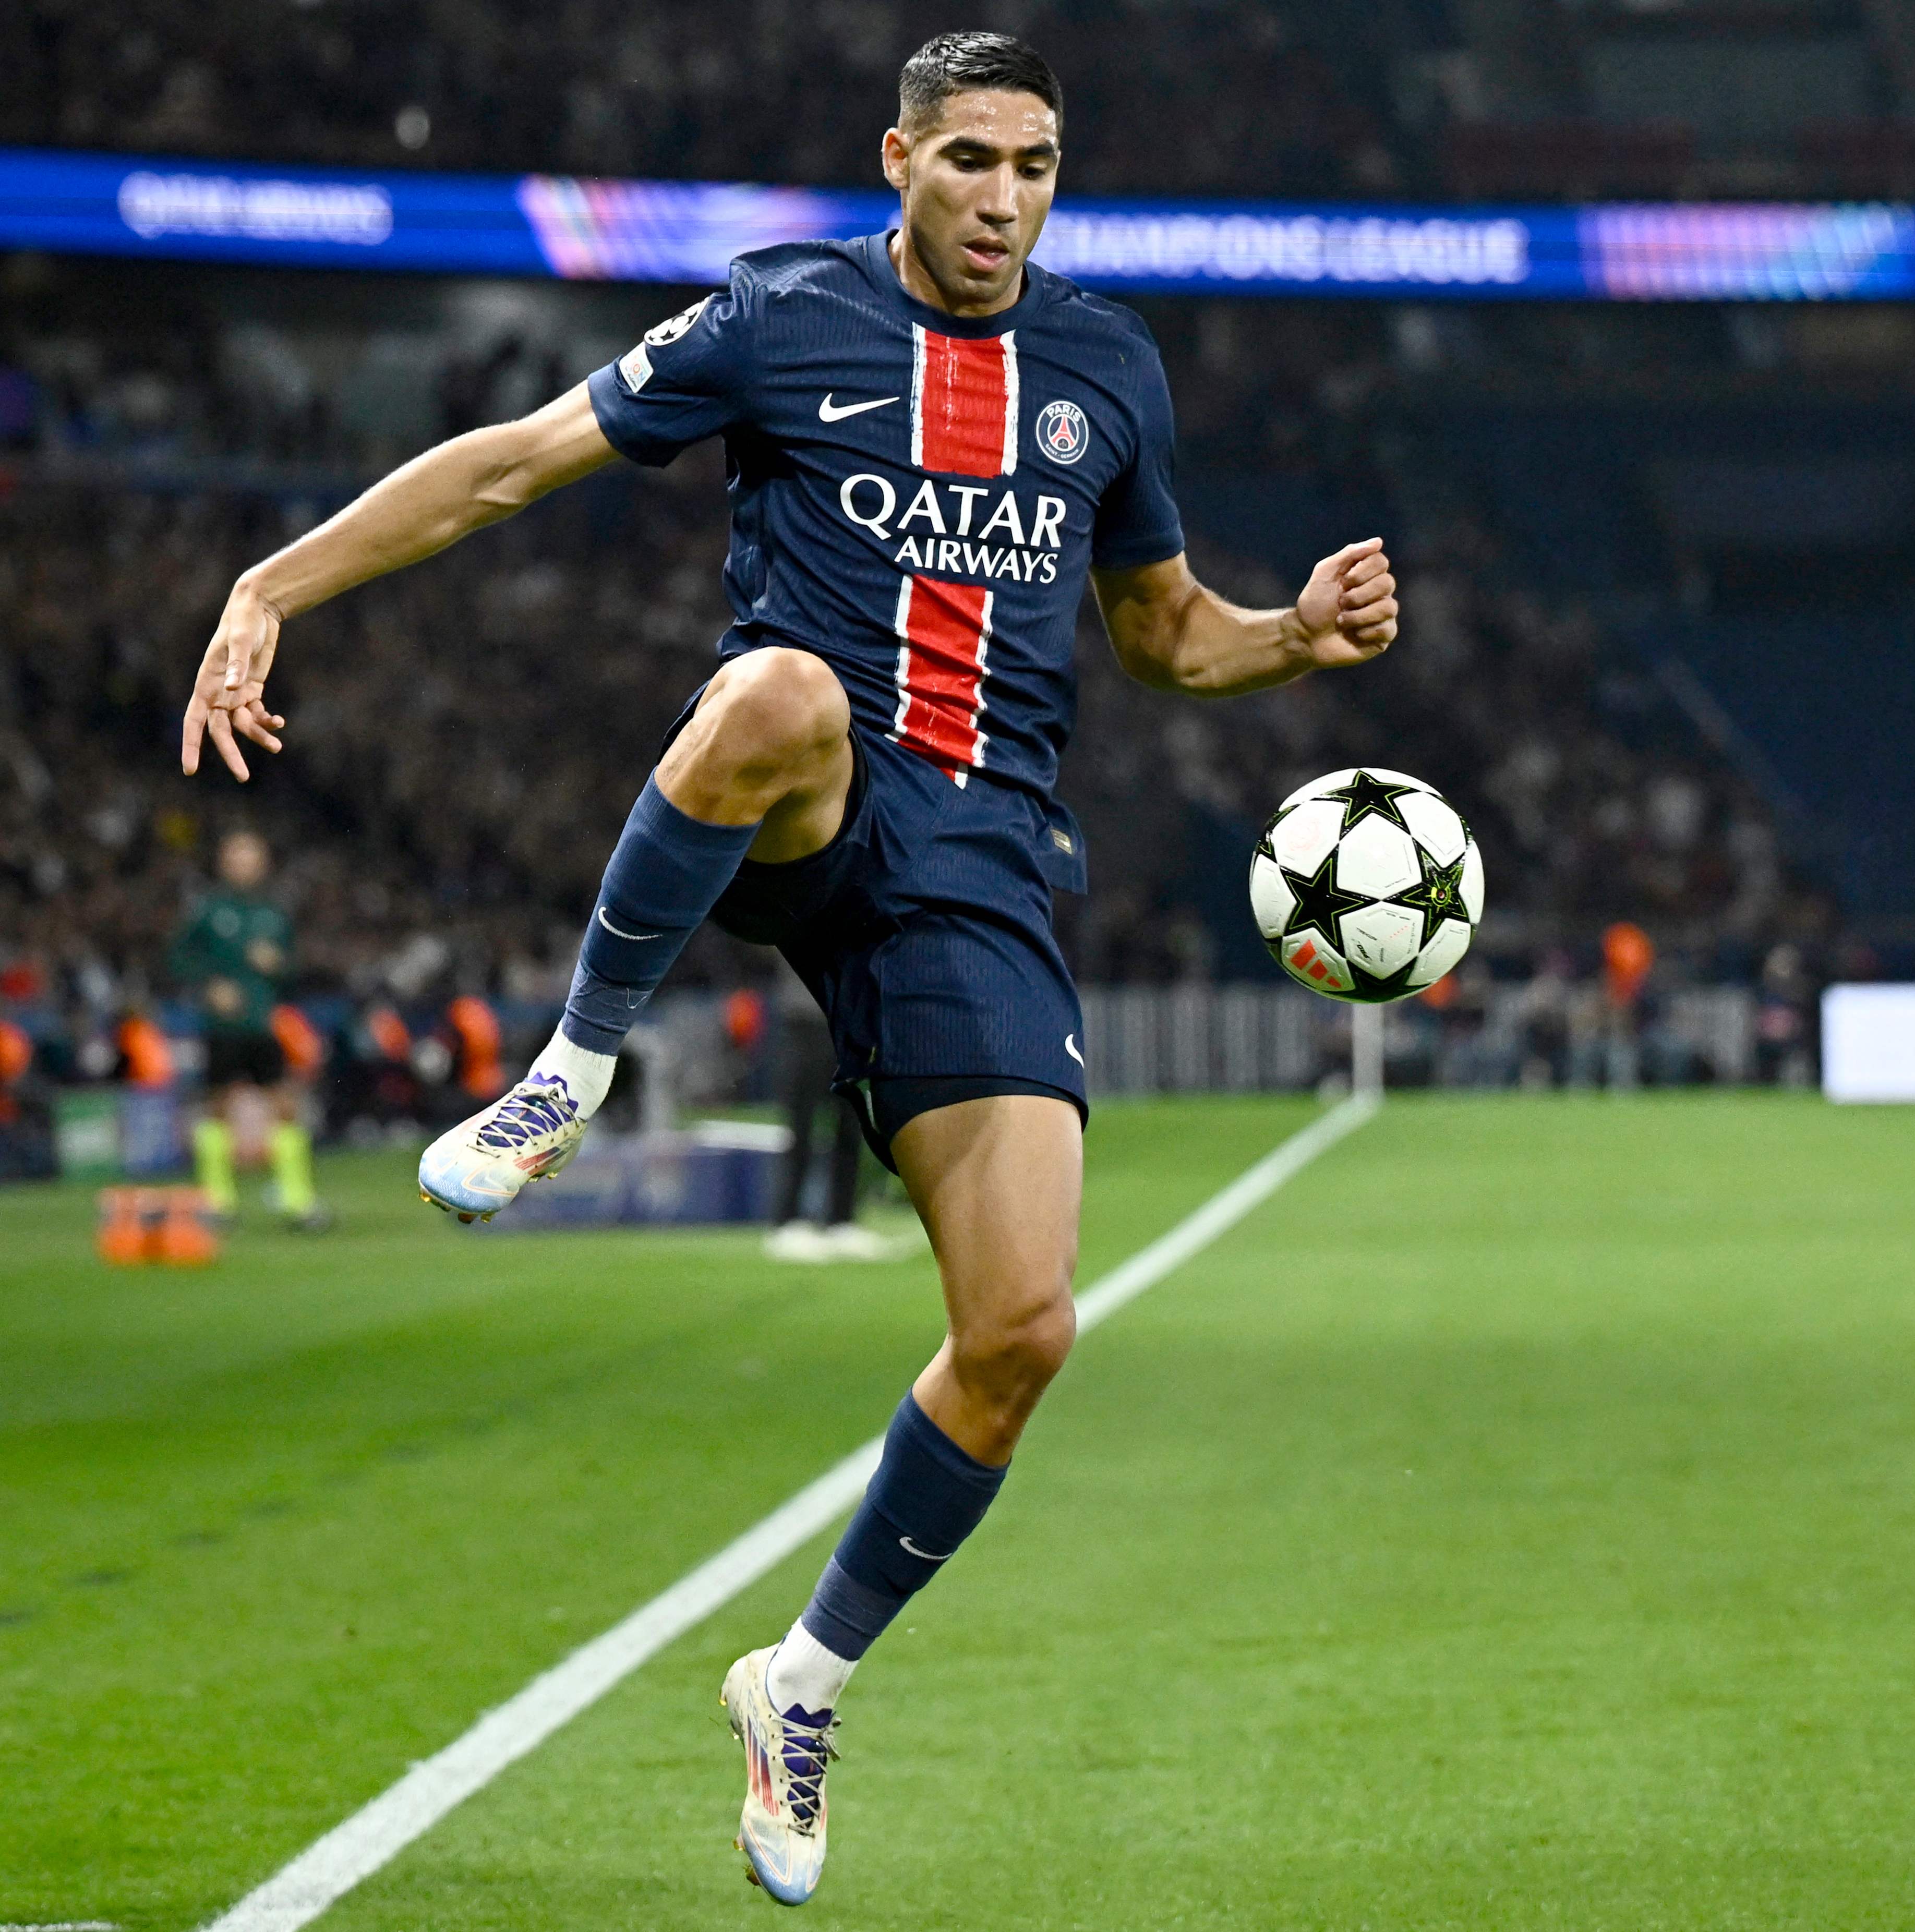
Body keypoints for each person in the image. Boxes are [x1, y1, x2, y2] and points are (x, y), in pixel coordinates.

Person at [177, 30, 1397, 1907]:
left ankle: (798, 1679)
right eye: (974, 158)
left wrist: (1293, 638)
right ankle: (567, 1072)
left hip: (981, 874)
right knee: (779, 686)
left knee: (1024, 1329)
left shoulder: (1104, 368)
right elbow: (513, 467)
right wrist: (274, 584)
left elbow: (1161, 637)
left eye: (1040, 165)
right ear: (898, 156)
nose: (1006, 197)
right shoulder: (776, 320)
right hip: (806, 797)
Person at [165, 830, 327, 1229]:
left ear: (263, 863)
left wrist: (279, 965)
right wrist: (210, 986)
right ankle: (218, 1203)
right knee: (218, 1107)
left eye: (251, 857)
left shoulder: (274, 913)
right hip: (222, 1026)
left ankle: (298, 1202)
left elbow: (294, 968)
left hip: (265, 1023)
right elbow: (177, 958)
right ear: (224, 862)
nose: (244, 864)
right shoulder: (208, 909)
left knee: (284, 1107)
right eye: (237, 857)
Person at [763, 955, 897, 1261]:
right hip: (804, 1019)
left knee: (851, 1124)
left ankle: (841, 1221)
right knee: (802, 1124)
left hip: (852, 1019)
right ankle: (788, 1221)